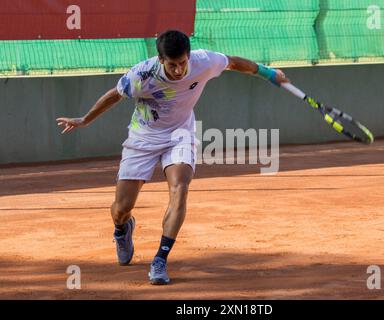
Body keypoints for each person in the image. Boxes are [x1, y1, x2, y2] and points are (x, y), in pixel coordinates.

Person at [56, 29, 289, 285]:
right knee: (121, 209)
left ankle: (160, 260)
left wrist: (269, 74)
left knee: (180, 187)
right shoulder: (142, 75)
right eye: (172, 65)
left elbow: (233, 61)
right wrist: (85, 119)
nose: (178, 70)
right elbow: (115, 95)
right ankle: (123, 228)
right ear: (160, 59)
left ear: (189, 56)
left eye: (182, 63)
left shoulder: (203, 61)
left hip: (180, 135)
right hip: (142, 138)